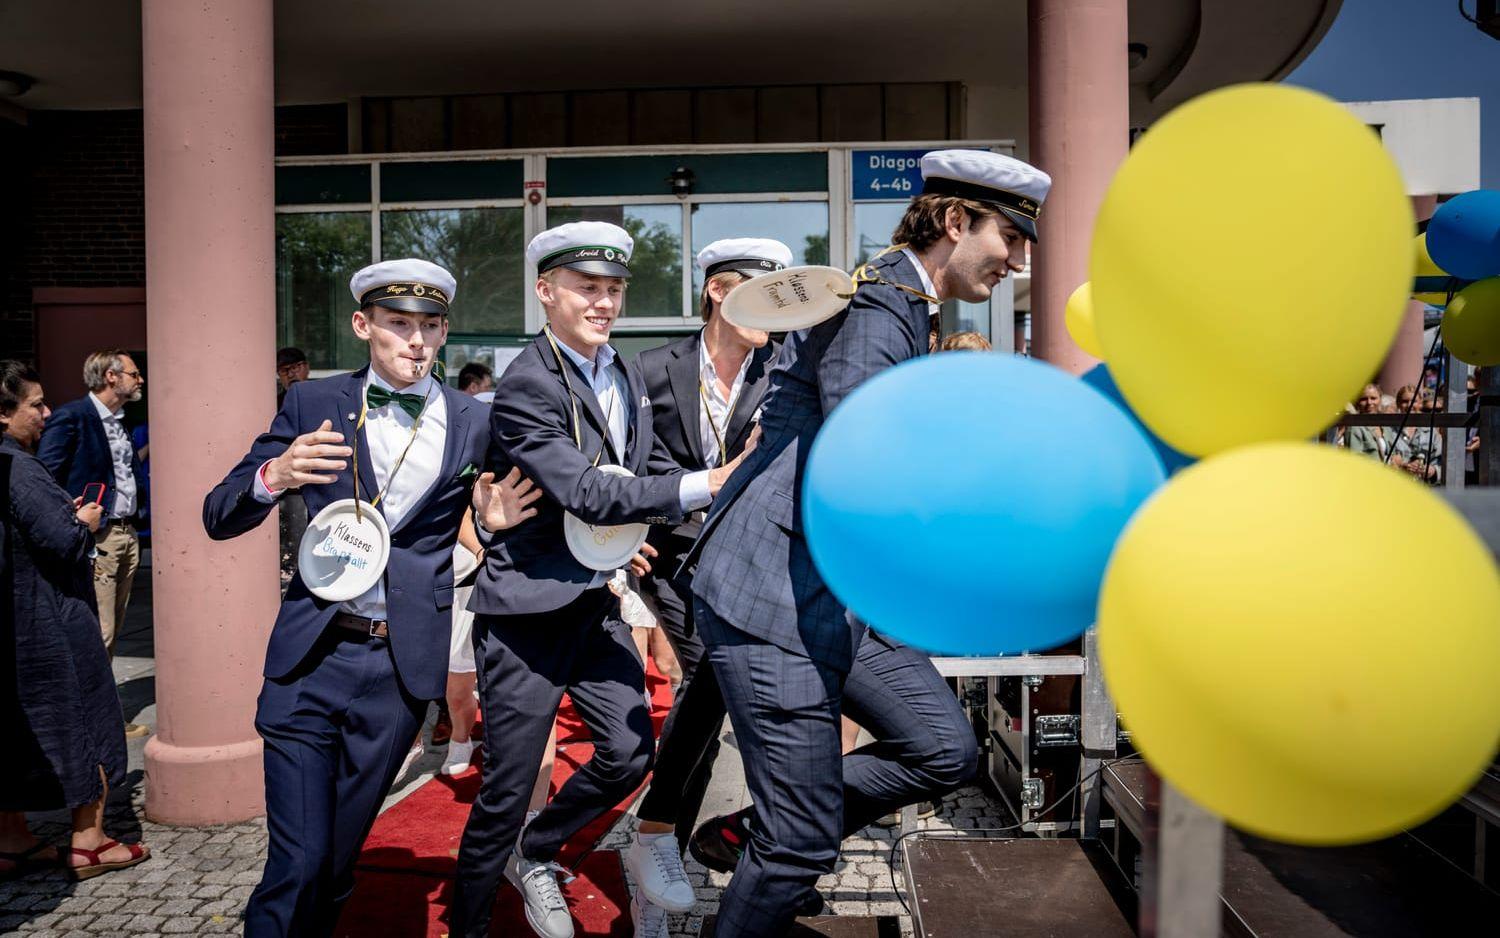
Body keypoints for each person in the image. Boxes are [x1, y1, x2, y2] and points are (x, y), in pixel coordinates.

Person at [684, 150, 1043, 936]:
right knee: (799, 843)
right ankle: (776, 842)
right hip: (775, 599)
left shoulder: (905, 302)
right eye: (1010, 238)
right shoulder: (880, 305)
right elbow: (864, 454)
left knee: (944, 750)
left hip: (834, 594)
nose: (1017, 261)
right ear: (955, 221)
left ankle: (751, 830)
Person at [203, 259, 536, 938]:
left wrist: (497, 523)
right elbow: (219, 513)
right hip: (311, 658)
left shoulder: (475, 420)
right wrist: (274, 474)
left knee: (336, 863)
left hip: (399, 672)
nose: (416, 340)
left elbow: (509, 500)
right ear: (364, 326)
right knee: (298, 862)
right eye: (398, 325)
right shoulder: (313, 403)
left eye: (430, 326)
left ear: (443, 332)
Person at [451, 222, 753, 938]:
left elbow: (631, 477)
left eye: (614, 288)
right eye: (587, 287)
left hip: (596, 604)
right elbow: (585, 490)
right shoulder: (525, 384)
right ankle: (469, 923)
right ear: (545, 291)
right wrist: (712, 481)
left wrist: (633, 542)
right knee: (503, 792)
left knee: (626, 755)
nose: (604, 301)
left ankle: (537, 850)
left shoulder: (619, 370)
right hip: (527, 615)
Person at [624, 238, 788, 936]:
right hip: (674, 564)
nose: (777, 315)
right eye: (765, 294)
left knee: (710, 698)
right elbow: (633, 467)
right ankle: (665, 856)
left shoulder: (787, 369)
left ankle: (655, 846)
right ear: (720, 289)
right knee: (712, 688)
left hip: (757, 572)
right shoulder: (651, 370)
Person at [0, 360, 150, 881]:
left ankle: (12, 837)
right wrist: (81, 519)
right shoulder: (19, 468)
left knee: (18, 725)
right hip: (51, 612)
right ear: (3, 414)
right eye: (35, 404)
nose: (45, 412)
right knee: (86, 716)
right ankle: (89, 840)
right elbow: (61, 540)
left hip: (18, 613)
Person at [35, 350, 148, 738]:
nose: (140, 380)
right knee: (98, 631)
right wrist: (73, 519)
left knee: (112, 629)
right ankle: (89, 724)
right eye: (134, 374)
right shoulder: (73, 417)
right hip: (96, 537)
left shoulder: (120, 421)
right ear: (111, 377)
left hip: (127, 533)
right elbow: (45, 474)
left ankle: (104, 717)